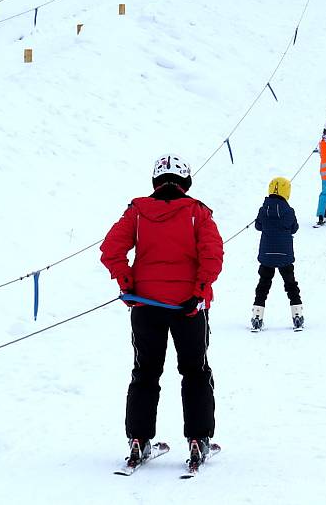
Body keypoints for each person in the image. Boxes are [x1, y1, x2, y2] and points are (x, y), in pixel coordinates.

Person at [100, 154, 224, 470]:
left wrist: (127, 282)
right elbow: (213, 255)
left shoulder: (138, 212)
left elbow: (111, 249)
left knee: (145, 372)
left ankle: (139, 441)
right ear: (185, 182)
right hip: (189, 308)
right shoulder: (198, 212)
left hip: (146, 305)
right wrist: (198, 292)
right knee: (195, 372)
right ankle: (199, 440)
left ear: (156, 181)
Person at [250, 177, 304, 333]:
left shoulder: (263, 209)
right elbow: (294, 228)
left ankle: (257, 316)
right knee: (290, 284)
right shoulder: (288, 211)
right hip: (285, 255)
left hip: (266, 255)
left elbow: (258, 226)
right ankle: (297, 314)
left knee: (263, 284)